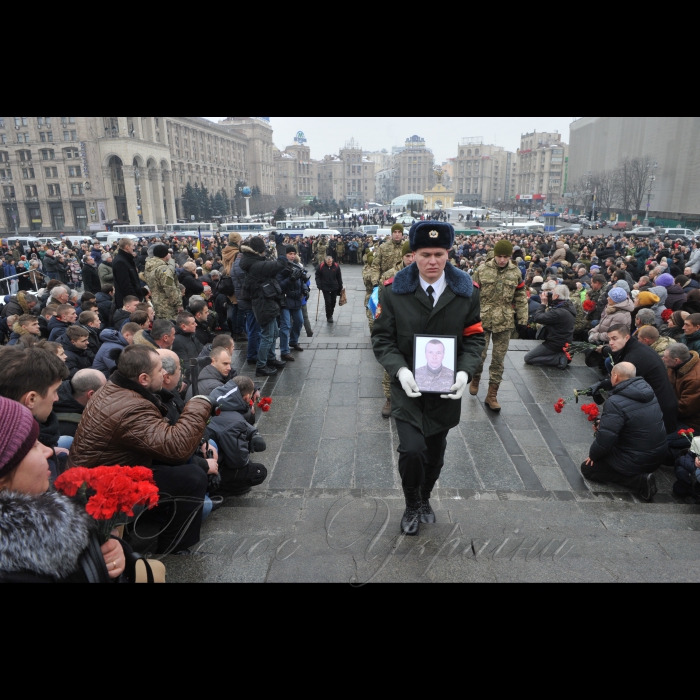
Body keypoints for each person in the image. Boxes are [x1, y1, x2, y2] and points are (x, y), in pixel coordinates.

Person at [372, 221, 485, 537]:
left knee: (435, 453)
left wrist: (465, 371)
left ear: (448, 253)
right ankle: (410, 503)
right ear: (413, 255)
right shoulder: (392, 291)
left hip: (445, 390)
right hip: (408, 388)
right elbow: (382, 339)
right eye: (425, 254)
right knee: (411, 450)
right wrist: (400, 369)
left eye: (439, 253)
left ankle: (425, 498)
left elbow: (475, 336)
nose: (432, 261)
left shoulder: (466, 292)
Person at [69, 345, 215, 555]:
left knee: (184, 473)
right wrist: (199, 404)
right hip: (103, 487)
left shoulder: (118, 389)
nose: (164, 374)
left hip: (107, 473)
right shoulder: (130, 407)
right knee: (192, 478)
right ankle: (174, 547)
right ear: (144, 378)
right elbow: (177, 448)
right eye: (159, 371)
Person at [0, 396, 126, 583]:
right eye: (33, 446)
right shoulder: (16, 573)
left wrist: (112, 552)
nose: (48, 451)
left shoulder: (47, 500)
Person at [581, 363, 666, 501]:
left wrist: (593, 456)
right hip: (659, 455)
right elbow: (631, 418)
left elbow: (605, 439)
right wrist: (604, 423)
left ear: (615, 377)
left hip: (637, 459)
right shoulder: (647, 391)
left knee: (588, 469)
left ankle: (639, 481)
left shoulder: (615, 401)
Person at [587, 324, 678, 435]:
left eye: (614, 338)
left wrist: (606, 419)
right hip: (657, 402)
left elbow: (624, 387)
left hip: (659, 411)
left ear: (626, 338)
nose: (611, 342)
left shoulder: (633, 358)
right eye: (609, 339)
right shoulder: (635, 347)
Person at [470, 239, 528, 411]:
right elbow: (472, 295)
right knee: (479, 354)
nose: (502, 260)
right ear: (494, 255)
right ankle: (476, 377)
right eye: (499, 256)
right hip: (483, 319)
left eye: (505, 257)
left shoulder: (516, 272)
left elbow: (520, 297)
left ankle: (492, 394)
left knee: (498, 359)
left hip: (504, 320)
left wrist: (523, 320)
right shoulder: (482, 270)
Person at [206, 376, 268, 497]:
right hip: (212, 467)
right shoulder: (235, 423)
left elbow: (229, 418)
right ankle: (221, 488)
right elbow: (238, 461)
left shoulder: (217, 396)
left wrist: (253, 432)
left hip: (207, 454)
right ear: (246, 397)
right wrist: (247, 445)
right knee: (259, 471)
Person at [239, 236, 288, 378]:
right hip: (262, 303)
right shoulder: (256, 265)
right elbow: (281, 263)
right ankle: (261, 365)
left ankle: (271, 359)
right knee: (267, 335)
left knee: (273, 333)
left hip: (266, 301)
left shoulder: (253, 261)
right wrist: (280, 245)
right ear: (258, 251)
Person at [525, 285, 576, 369]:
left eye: (552, 293)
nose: (550, 294)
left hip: (555, 344)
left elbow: (538, 318)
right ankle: (561, 355)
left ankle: (559, 358)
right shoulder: (567, 305)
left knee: (528, 358)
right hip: (563, 340)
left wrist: (543, 304)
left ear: (556, 296)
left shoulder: (559, 312)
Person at [54, 369, 107, 439]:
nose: (107, 395)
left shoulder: (53, 395)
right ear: (91, 394)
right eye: (104, 391)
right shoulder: (73, 429)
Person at [278, 246, 307, 362]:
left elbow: (301, 280)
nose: (292, 256)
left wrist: (305, 289)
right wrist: (290, 279)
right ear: (285, 254)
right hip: (285, 299)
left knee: (300, 321)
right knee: (285, 325)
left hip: (296, 299)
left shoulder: (297, 265)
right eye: (290, 253)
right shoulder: (280, 267)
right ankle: (284, 351)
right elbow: (278, 285)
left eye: (294, 253)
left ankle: (294, 341)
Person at [664, 343, 700, 435]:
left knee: (661, 440)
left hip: (691, 423)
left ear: (677, 360)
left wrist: (661, 408)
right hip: (674, 413)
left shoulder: (695, 379)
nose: (663, 359)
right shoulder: (674, 366)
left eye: (665, 357)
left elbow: (685, 408)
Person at [144, 245, 182, 321]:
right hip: (168, 306)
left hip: (156, 303)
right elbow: (170, 288)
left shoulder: (149, 266)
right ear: (165, 254)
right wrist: (178, 304)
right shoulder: (164, 269)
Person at [112, 238, 144, 309]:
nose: (134, 247)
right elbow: (126, 285)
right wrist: (135, 300)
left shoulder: (126, 259)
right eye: (132, 245)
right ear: (127, 247)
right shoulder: (120, 261)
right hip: (129, 302)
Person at [172, 312, 204, 378]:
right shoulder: (177, 342)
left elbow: (202, 349)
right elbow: (185, 367)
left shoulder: (191, 335)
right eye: (193, 323)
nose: (196, 324)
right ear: (184, 326)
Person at [315, 255, 343, 324]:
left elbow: (339, 277)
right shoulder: (321, 266)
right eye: (328, 262)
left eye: (330, 262)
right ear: (325, 261)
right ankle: (329, 316)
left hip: (334, 287)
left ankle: (331, 313)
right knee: (328, 302)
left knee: (333, 302)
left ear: (332, 260)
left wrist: (340, 286)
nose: (329, 263)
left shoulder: (336, 266)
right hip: (325, 287)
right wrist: (318, 284)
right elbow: (317, 276)